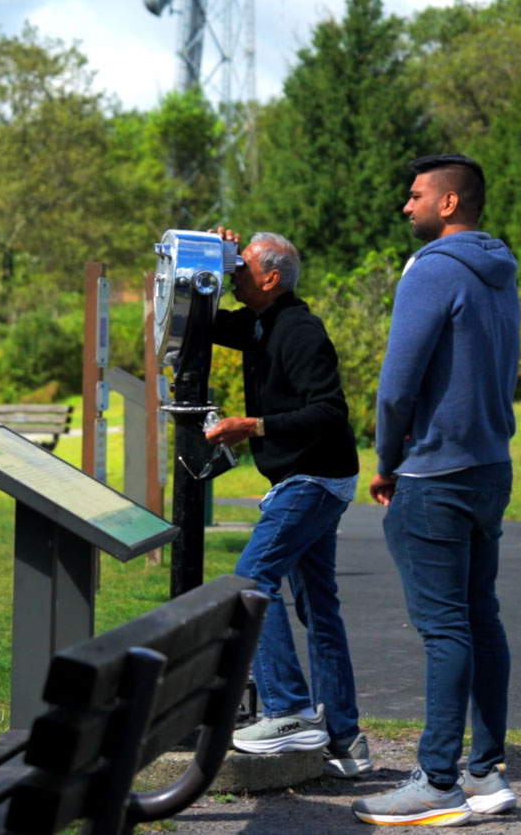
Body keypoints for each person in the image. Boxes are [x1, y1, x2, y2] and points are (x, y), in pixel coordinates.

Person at [352, 155, 521, 826]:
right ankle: (485, 773)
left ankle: (438, 782)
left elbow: (397, 384)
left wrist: (386, 458)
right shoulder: (501, 270)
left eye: (416, 195)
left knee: (446, 626)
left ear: (449, 204)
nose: (406, 206)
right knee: (481, 616)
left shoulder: (431, 271)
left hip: (434, 473)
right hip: (489, 468)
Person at [203, 228, 372, 778]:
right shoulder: (259, 323)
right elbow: (192, 318)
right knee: (320, 610)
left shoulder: (298, 330)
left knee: (251, 584)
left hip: (313, 480)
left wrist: (254, 425)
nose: (234, 275)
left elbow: (330, 410)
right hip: (312, 479)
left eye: (243, 267)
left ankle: (288, 711)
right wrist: (211, 250)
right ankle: (345, 741)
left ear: (271, 278)